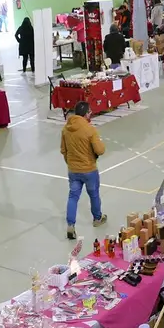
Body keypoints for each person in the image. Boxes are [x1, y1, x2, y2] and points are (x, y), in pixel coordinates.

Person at [61, 101, 107, 239]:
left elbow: (63, 150)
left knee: (73, 197)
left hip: (73, 170)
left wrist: (70, 163)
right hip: (89, 169)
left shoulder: (65, 129)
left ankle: (70, 224)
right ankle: (97, 219)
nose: (91, 113)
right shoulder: (90, 129)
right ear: (86, 113)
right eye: (89, 111)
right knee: (93, 194)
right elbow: (100, 150)